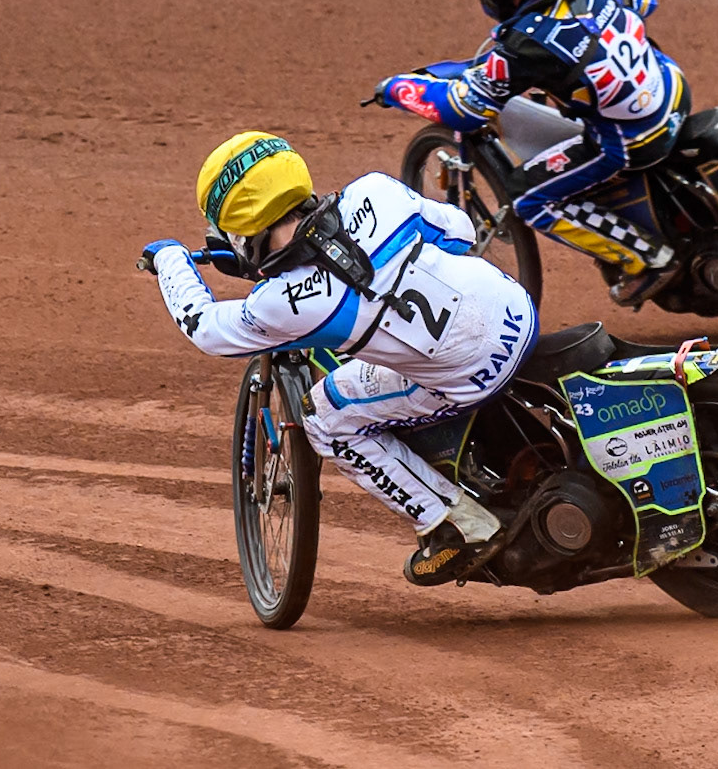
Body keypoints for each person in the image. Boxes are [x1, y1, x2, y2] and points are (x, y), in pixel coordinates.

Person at [138, 132, 537, 586]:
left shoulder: (284, 302)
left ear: (239, 228)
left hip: (470, 373)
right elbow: (460, 231)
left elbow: (205, 328)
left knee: (325, 417)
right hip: (516, 310)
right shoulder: (376, 191)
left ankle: (456, 525)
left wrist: (169, 259)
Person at [373, 0, 691, 306]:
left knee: (530, 197)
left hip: (632, 141)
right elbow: (645, 0)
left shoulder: (527, 44)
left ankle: (647, 258)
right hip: (671, 89)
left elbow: (465, 108)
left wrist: (397, 89)